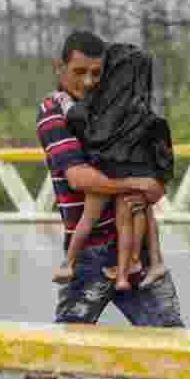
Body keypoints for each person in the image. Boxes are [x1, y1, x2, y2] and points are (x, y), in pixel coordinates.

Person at [11, 30, 190, 379]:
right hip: (92, 253)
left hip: (136, 252)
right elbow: (79, 178)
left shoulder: (114, 107)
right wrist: (138, 183)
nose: (89, 82)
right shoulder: (52, 113)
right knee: (62, 344)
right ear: (59, 68)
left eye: (97, 73)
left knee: (174, 345)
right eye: (78, 72)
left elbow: (150, 159)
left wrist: (153, 178)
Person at [50, 43, 170, 291]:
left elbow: (84, 128)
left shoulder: (103, 110)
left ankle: (69, 263)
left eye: (98, 73)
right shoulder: (145, 112)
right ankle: (133, 266)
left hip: (107, 173)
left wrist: (152, 186)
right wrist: (150, 182)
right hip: (135, 178)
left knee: (89, 219)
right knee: (137, 215)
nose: (90, 82)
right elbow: (161, 158)